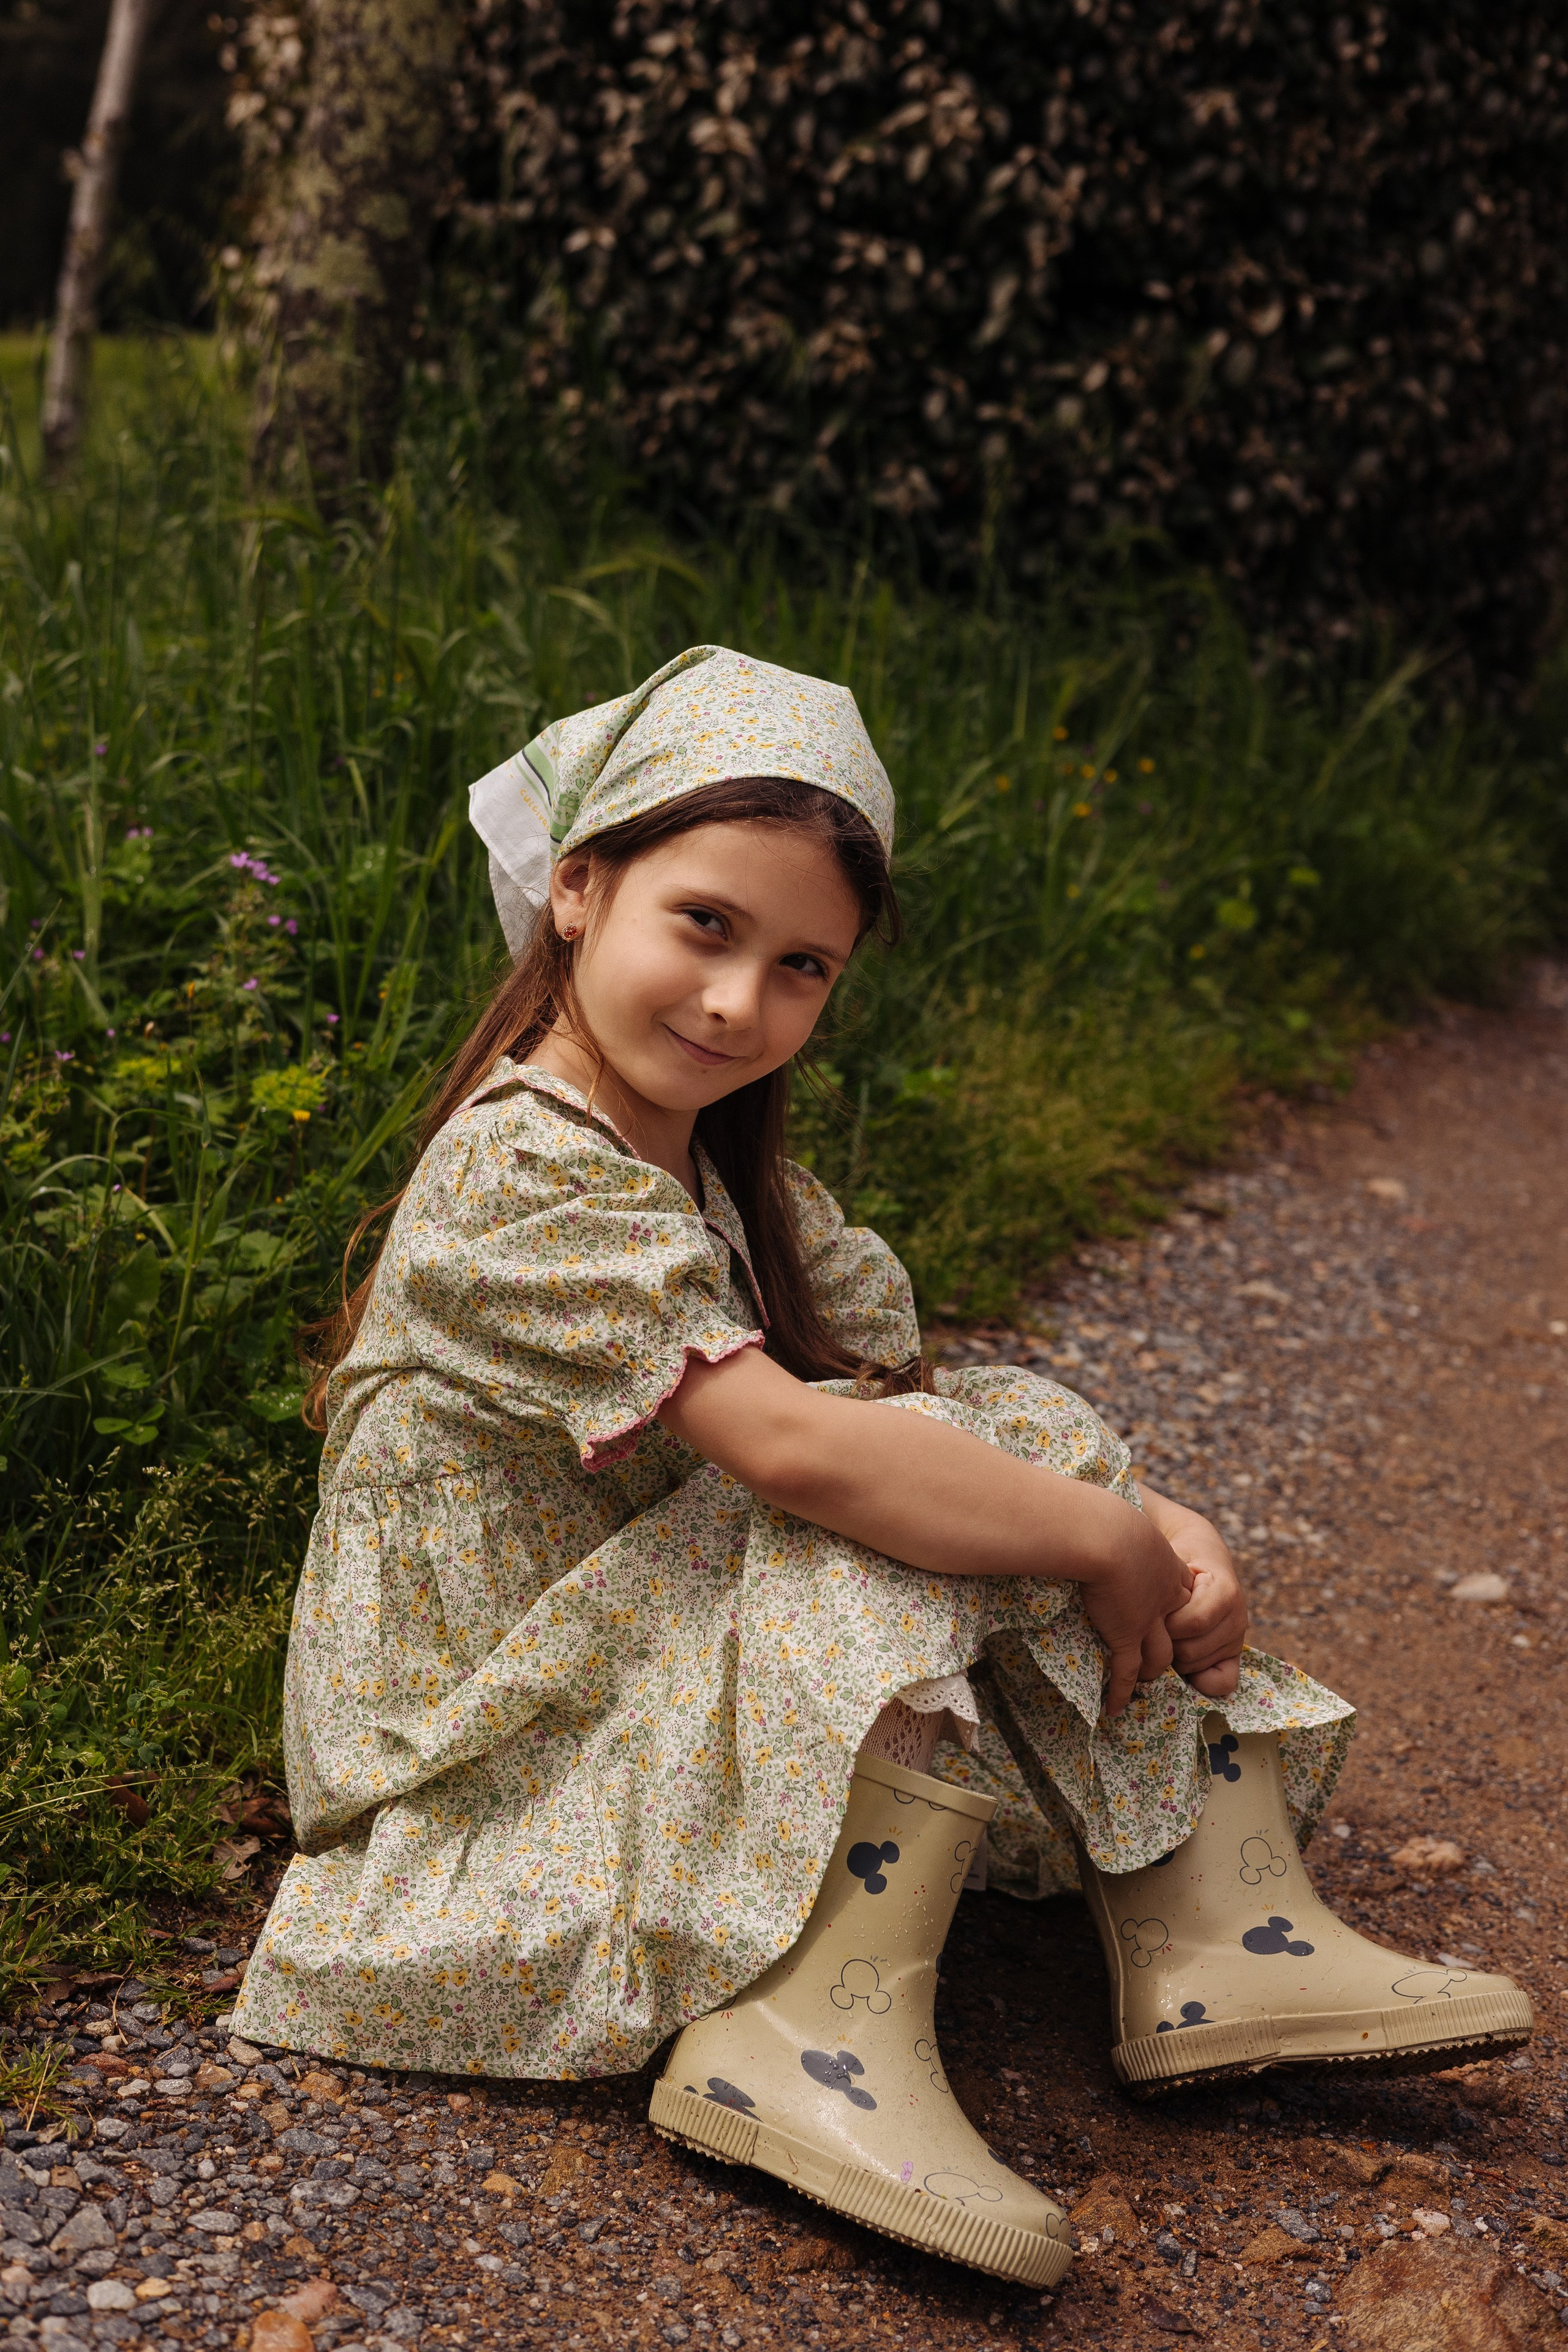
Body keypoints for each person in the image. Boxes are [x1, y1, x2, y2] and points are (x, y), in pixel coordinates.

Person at [232, 646, 1531, 2288]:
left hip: (615, 1700)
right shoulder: (520, 1173)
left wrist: (1133, 1518)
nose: (737, 1004)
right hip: (481, 1790)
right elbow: (795, 1446)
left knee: (981, 1436)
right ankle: (802, 2031)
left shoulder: (707, 1176)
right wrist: (1091, 1535)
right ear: (578, 888)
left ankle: (1214, 1931)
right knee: (878, 1485)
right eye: (703, 925)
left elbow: (933, 1406)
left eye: (801, 970)